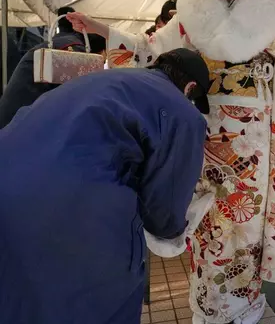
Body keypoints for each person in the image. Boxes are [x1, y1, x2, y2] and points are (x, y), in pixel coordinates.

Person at [67, 0, 275, 322]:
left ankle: (244, 306)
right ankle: (209, 306)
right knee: (208, 224)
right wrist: (102, 29)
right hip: (205, 135)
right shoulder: (192, 13)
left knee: (247, 226)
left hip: (255, 143)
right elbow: (151, 50)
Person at [0, 48, 210, 324]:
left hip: (10, 177)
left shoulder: (99, 80)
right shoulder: (183, 111)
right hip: (70, 206)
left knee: (20, 298)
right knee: (103, 301)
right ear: (190, 87)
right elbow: (164, 215)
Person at [0, 7, 107, 129]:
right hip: (19, 127)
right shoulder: (74, 50)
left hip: (13, 122)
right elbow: (77, 99)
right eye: (101, 60)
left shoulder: (54, 44)